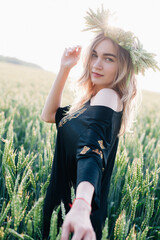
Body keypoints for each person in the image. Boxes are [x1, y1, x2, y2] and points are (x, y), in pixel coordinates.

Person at [41, 7, 159, 240]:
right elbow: (49, 115)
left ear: (122, 67)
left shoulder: (108, 97)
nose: (97, 64)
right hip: (62, 207)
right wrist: (65, 68)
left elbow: (92, 149)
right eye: (94, 54)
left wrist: (82, 203)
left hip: (77, 214)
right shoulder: (88, 102)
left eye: (108, 58)